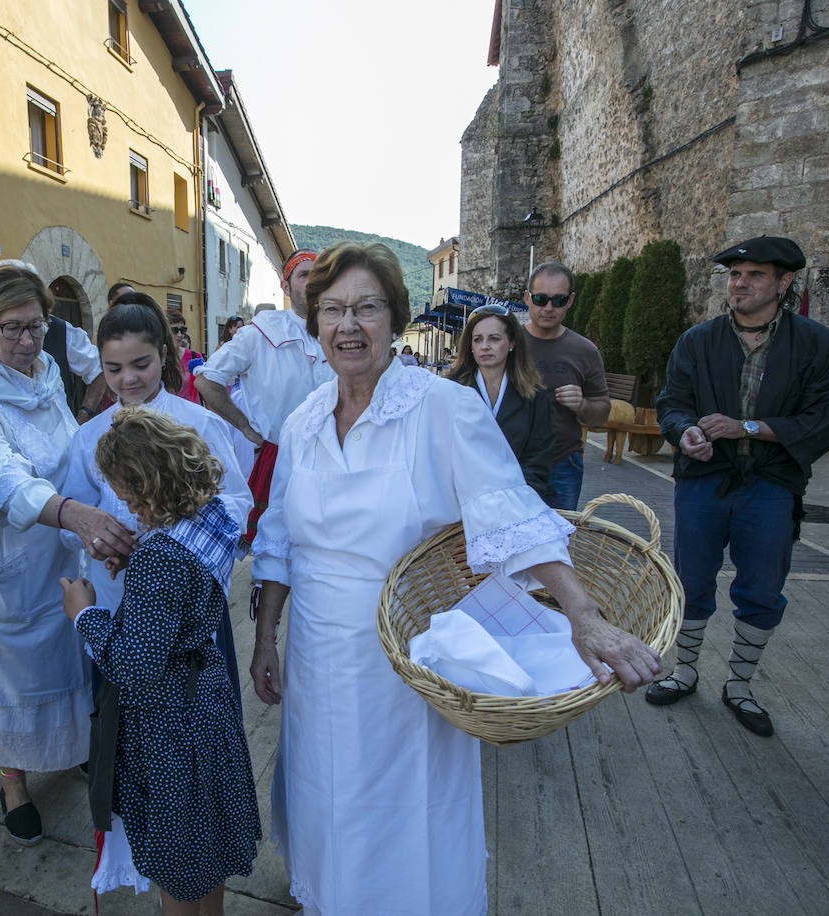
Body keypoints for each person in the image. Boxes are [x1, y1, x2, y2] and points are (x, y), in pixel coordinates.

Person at [249, 243, 661, 914]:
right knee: (326, 792)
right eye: (332, 310)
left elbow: (511, 514)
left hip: (409, 654)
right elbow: (277, 539)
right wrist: (267, 638)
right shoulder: (301, 423)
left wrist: (583, 613)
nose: (349, 325)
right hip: (317, 654)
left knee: (403, 806)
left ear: (395, 318)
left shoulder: (443, 408)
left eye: (368, 308)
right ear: (313, 322)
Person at [0, 264, 135, 846]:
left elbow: (65, 435)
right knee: (10, 664)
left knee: (61, 646)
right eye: (13, 331)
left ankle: (65, 746)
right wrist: (72, 512)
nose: (28, 342)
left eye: (36, 327)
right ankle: (12, 778)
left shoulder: (41, 367)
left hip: (54, 533)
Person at [647, 235, 829, 736]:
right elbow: (672, 401)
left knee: (761, 587)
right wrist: (685, 432)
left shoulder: (816, 344)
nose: (740, 283)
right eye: (735, 274)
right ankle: (685, 670)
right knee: (691, 580)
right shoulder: (699, 340)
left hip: (772, 484)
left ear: (784, 283)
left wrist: (753, 428)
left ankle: (740, 684)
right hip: (703, 480)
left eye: (754, 275)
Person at [61, 409, 261, 916]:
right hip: (209, 705)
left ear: (147, 488)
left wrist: (85, 615)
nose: (125, 505)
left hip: (171, 725)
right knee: (205, 854)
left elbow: (135, 665)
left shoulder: (160, 562)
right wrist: (141, 564)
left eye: (126, 495)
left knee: (177, 861)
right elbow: (188, 579)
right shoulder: (210, 516)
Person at [61, 294, 251, 704]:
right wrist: (97, 537)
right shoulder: (88, 436)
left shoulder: (199, 423)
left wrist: (171, 541)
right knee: (126, 712)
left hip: (187, 604)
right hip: (116, 596)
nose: (128, 379)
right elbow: (74, 516)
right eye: (113, 369)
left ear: (163, 354)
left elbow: (236, 502)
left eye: (141, 364)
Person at [195, 248, 334, 548]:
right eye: (303, 275)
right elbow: (207, 380)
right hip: (280, 461)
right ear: (286, 287)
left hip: (332, 462)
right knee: (273, 555)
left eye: (319, 274)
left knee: (324, 552)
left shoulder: (338, 329)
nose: (312, 282)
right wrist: (245, 427)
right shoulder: (261, 332)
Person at [521, 261, 610, 511]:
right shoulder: (508, 345)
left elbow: (601, 413)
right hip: (513, 462)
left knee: (560, 544)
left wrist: (582, 404)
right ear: (527, 298)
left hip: (563, 463)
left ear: (570, 301)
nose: (548, 308)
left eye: (558, 301)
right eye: (540, 299)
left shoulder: (585, 351)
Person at [446, 303, 555, 502]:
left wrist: (521, 499)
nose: (484, 346)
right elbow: (440, 451)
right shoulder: (450, 391)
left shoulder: (534, 395)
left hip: (516, 501)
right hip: (460, 502)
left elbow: (538, 457)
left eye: (494, 338)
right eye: (477, 340)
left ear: (512, 343)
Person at [0, 259, 108, 422]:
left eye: (35, 325)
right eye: (12, 327)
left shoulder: (61, 331)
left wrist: (84, 413)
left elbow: (98, 368)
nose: (26, 341)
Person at [166, 308, 203, 404]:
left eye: (183, 330)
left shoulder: (195, 356)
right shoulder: (158, 359)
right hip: (168, 416)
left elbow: (205, 390)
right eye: (174, 330)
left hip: (193, 414)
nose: (180, 335)